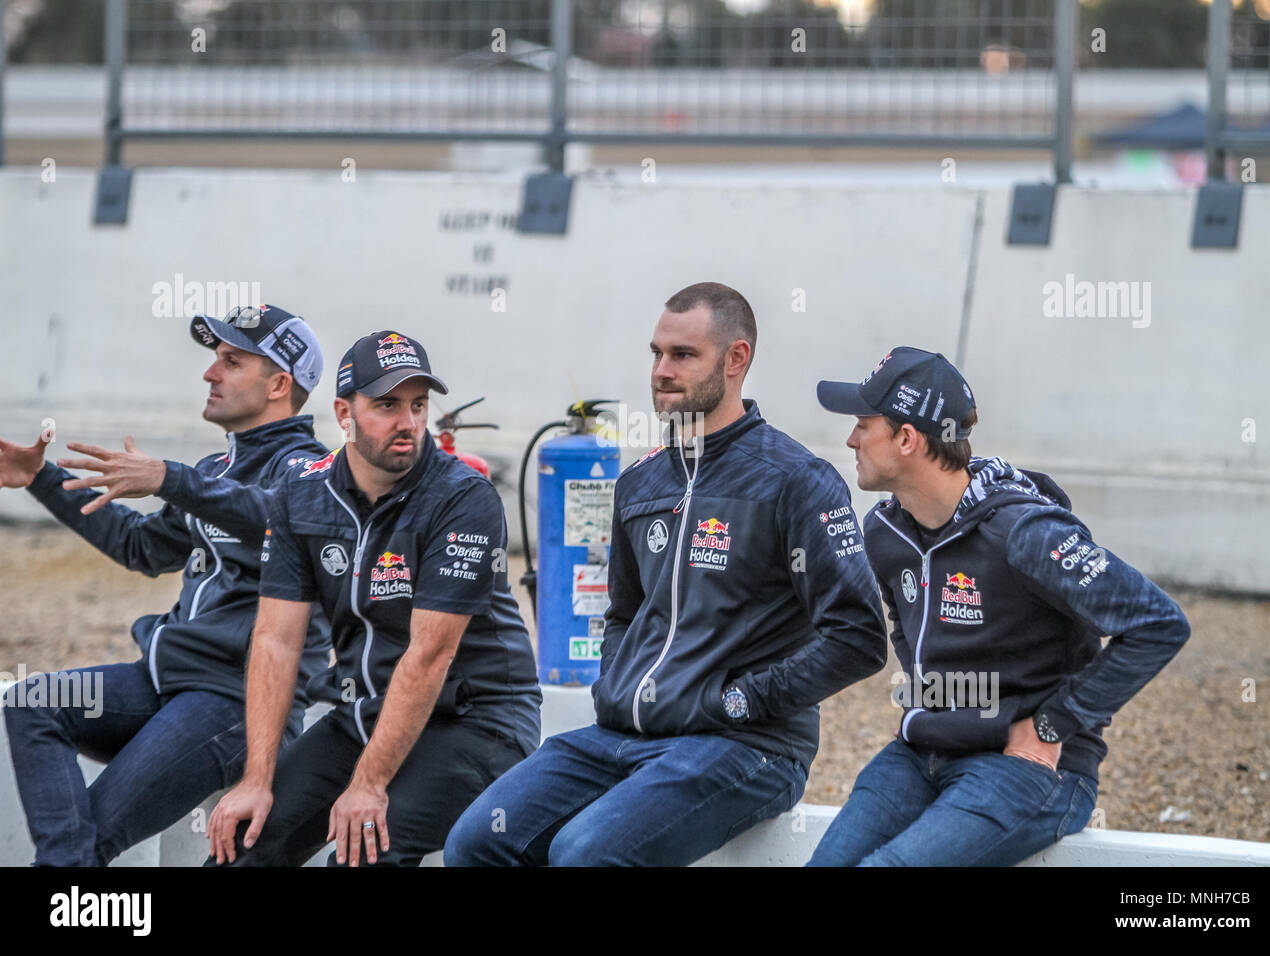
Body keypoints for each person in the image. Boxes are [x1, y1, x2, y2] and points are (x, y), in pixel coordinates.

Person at [444, 282, 888, 867]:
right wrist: (616, 686)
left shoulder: (796, 480)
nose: (661, 371)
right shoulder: (640, 483)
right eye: (656, 353)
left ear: (736, 360)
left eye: (683, 355)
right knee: (476, 842)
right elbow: (623, 614)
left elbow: (857, 638)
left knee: (585, 854)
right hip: (623, 735)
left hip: (746, 745)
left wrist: (742, 700)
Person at [808, 346, 1191, 866]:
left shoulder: (1026, 532)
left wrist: (1053, 724)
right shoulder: (885, 531)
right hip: (921, 753)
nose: (850, 438)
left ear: (906, 439)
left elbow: (1158, 624)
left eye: (862, 423)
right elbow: (905, 621)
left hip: (1031, 769)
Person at [0, 304, 332, 866]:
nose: (210, 373)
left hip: (233, 703)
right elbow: (142, 547)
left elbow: (282, 517)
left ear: (280, 384)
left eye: (231, 361)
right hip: (167, 682)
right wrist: (43, 478)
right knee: (33, 700)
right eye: (214, 359)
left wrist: (169, 478)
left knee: (91, 840)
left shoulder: (312, 470)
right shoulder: (215, 470)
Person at [206, 330, 542, 867]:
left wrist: (368, 783)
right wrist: (256, 778)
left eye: (418, 405)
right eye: (386, 405)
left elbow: (430, 655)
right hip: (363, 712)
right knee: (245, 844)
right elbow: (276, 641)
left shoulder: (463, 497)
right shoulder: (303, 493)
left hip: (479, 723)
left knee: (365, 852)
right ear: (345, 411)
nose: (407, 422)